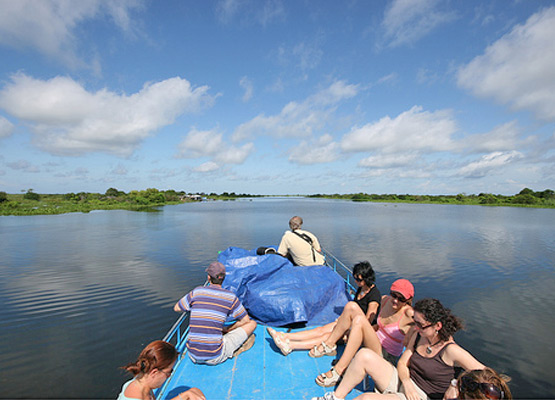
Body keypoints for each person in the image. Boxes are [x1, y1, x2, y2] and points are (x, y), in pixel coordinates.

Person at [312, 298, 487, 400]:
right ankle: (336, 397)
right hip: (405, 382)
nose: (415, 327)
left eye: (420, 324)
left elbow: (486, 374)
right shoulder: (420, 336)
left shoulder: (450, 350)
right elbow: (403, 364)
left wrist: (455, 384)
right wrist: (407, 382)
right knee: (364, 355)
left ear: (437, 326)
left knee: (365, 399)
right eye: (414, 322)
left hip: (420, 396)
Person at [267, 261, 381, 362]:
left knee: (327, 335)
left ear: (367, 278)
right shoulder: (361, 289)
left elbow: (367, 322)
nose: (356, 281)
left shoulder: (374, 296)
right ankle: (284, 336)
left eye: (359, 279)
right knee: (320, 330)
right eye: (355, 278)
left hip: (357, 329)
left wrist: (351, 330)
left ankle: (291, 345)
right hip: (349, 321)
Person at [313, 279, 415, 387]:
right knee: (351, 306)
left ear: (408, 300)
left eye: (401, 299)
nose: (395, 300)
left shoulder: (409, 314)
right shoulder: (385, 300)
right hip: (374, 342)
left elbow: (427, 323)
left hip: (386, 356)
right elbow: (376, 321)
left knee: (359, 321)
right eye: (394, 295)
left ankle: (339, 370)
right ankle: (329, 345)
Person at [173, 261, 257, 365]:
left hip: (193, 355)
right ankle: (227, 338)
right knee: (252, 324)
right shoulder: (230, 297)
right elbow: (245, 320)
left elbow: (176, 308)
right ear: (223, 278)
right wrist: (227, 329)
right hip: (215, 356)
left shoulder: (197, 291)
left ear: (209, 278)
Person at [118, 340, 205, 400]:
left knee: (194, 391)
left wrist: (186, 394)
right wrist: (184, 396)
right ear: (154, 372)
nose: (169, 376)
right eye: (168, 372)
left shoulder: (142, 382)